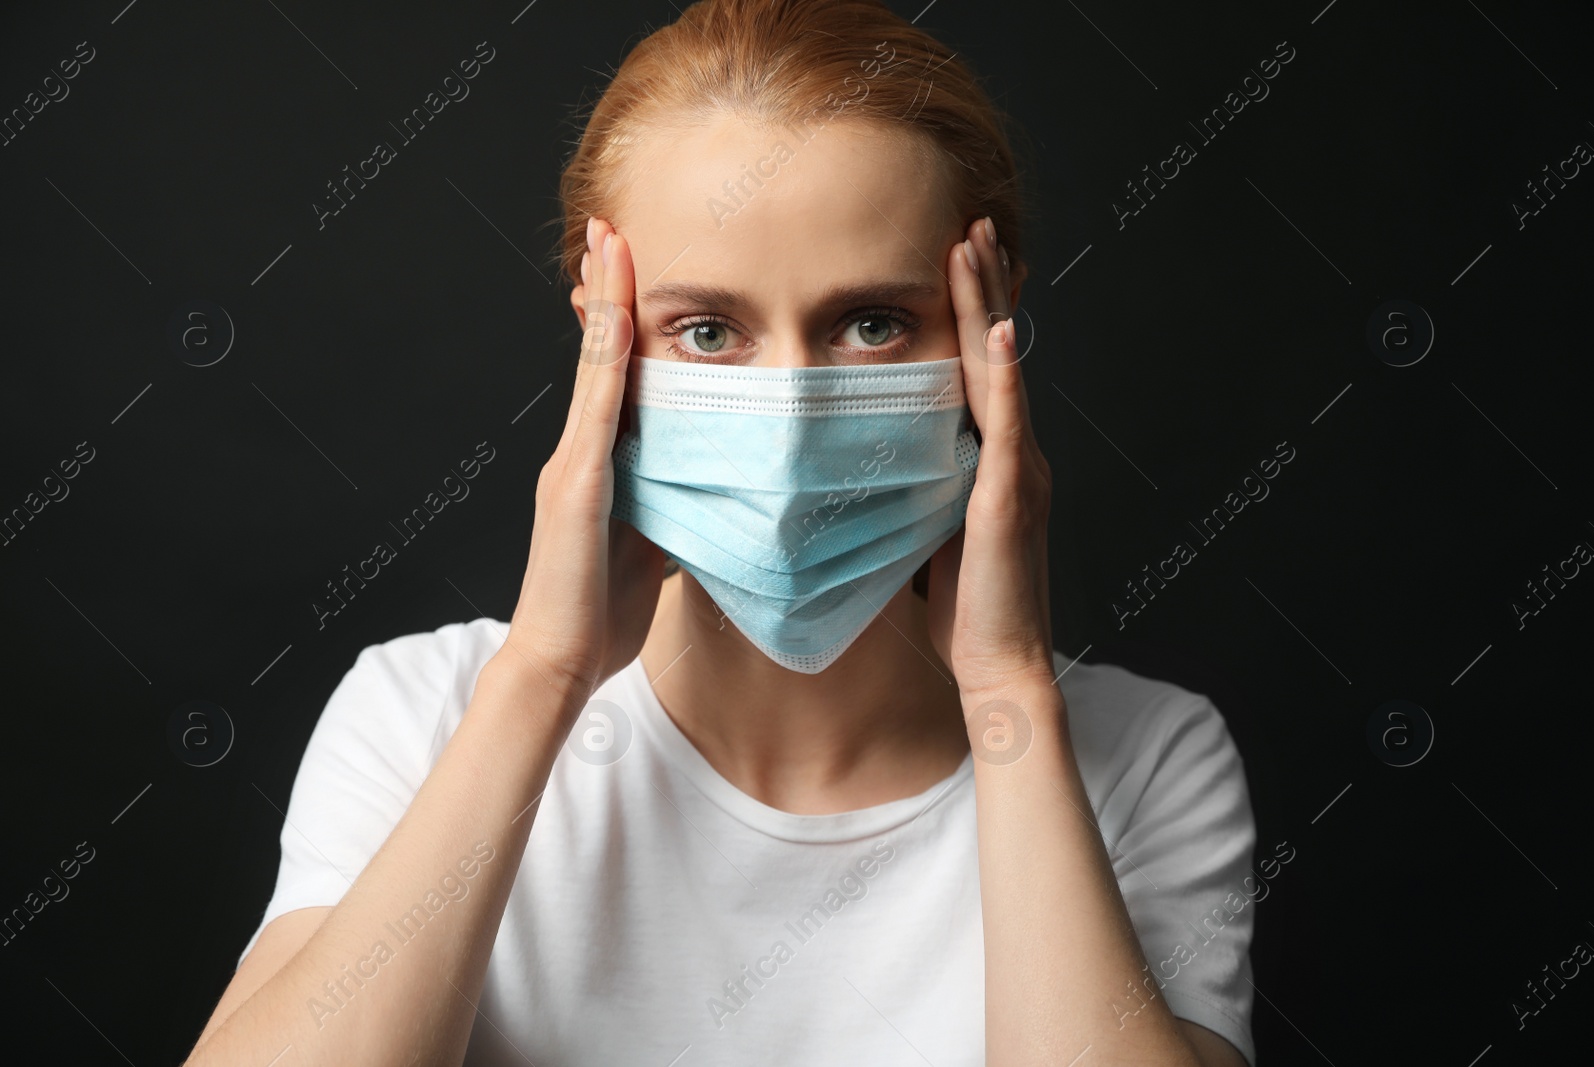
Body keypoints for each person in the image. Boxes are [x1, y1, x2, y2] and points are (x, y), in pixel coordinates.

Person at [185, 1, 1258, 1064]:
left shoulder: (1148, 759)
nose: (791, 414)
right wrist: (543, 677)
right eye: (706, 331)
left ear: (992, 332)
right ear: (602, 343)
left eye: (872, 324)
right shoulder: (421, 716)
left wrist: (1008, 690)